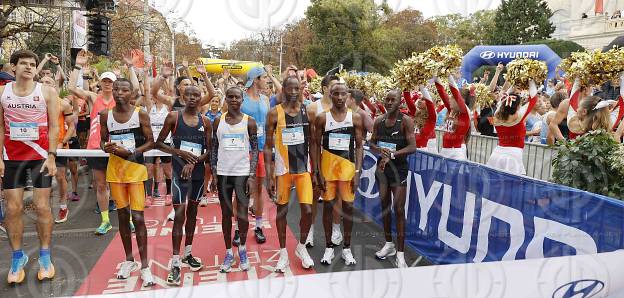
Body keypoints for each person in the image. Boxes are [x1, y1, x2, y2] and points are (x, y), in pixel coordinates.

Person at [2, 50, 59, 284]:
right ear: (13, 67)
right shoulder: (2, 93)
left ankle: (45, 257)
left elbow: (55, 127)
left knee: (42, 207)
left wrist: (52, 156)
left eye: (32, 64)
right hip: (11, 157)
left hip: (40, 157)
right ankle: (18, 257)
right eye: (23, 63)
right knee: (12, 210)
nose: (28, 67)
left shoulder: (47, 91)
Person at [68, 50, 140, 235]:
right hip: (97, 147)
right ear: (100, 83)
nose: (108, 84)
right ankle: (105, 220)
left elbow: (137, 90)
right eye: (105, 81)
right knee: (101, 185)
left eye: (111, 82)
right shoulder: (94, 98)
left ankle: (130, 219)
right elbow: (71, 89)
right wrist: (78, 65)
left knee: (124, 183)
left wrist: (131, 67)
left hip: (119, 148)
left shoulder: (120, 99)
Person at [100, 78, 155, 287]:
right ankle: (128, 260)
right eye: (116, 89)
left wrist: (130, 152)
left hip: (135, 171)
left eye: (124, 90)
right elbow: (102, 141)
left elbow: (151, 141)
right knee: (122, 217)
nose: (119, 93)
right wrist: (106, 147)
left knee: (138, 217)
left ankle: (145, 266)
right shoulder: (105, 115)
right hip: (115, 172)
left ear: (131, 93)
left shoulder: (140, 113)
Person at [156, 85, 211, 285]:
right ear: (182, 96)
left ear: (201, 98)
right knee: (179, 216)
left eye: (197, 95)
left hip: (196, 175)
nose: (192, 98)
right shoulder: (173, 117)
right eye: (189, 94)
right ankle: (175, 262)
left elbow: (209, 151)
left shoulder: (205, 122)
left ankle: (188, 253)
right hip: (180, 175)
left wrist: (195, 161)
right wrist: (181, 154)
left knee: (193, 214)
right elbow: (159, 144)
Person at [265, 76, 316, 272]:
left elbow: (312, 142)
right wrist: (269, 176)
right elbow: (268, 147)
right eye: (290, 89)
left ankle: (301, 247)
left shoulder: (307, 112)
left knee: (308, 211)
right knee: (282, 211)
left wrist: (316, 170)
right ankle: (283, 253)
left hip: (303, 169)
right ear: (283, 90)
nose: (294, 92)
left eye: (297, 89)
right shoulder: (274, 114)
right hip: (283, 170)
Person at [313, 83, 363, 266]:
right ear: (330, 95)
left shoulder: (355, 118)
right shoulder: (321, 118)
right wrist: (316, 171)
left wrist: (357, 172)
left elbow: (359, 147)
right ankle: (329, 248)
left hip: (348, 170)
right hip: (327, 170)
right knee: (327, 207)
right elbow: (314, 145)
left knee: (348, 209)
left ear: (347, 95)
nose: (340, 97)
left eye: (343, 94)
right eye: (336, 94)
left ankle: (347, 249)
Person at [210, 86, 258, 273]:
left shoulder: (249, 122)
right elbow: (214, 148)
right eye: (230, 97)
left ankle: (243, 249)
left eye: (237, 97)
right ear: (226, 100)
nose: (234, 100)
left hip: (242, 174)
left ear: (242, 100)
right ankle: (229, 252)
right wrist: (213, 173)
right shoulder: (217, 121)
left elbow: (255, 150)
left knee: (243, 214)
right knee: (226, 214)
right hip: (223, 173)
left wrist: (252, 175)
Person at [369, 90, 417, 268]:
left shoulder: (406, 121)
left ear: (400, 102)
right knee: (384, 207)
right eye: (386, 99)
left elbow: (413, 147)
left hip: (399, 170)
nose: (389, 103)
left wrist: (393, 154)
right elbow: (371, 143)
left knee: (398, 209)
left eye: (392, 100)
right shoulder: (379, 121)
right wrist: (378, 150)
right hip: (382, 170)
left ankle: (401, 254)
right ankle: (388, 244)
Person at [305, 74, 341, 248]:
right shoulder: (313, 108)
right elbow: (311, 139)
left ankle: (336, 228)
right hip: (318, 156)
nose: (337, 89)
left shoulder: (343, 107)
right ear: (325, 88)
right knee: (314, 194)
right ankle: (310, 230)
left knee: (336, 196)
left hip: (338, 158)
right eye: (333, 86)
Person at [38, 76, 76, 224]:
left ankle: (63, 207)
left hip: (59, 146)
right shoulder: (35, 103)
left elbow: (71, 126)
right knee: (42, 179)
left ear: (54, 86)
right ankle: (44, 209)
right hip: (40, 147)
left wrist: (62, 142)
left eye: (48, 82)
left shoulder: (63, 104)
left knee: (60, 177)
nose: (44, 84)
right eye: (42, 82)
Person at [239, 66, 269, 245]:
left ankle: (258, 226)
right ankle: (238, 228)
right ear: (255, 79)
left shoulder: (265, 99)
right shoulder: (240, 98)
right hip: (243, 151)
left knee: (258, 190)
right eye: (264, 77)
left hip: (260, 150)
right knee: (240, 191)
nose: (266, 80)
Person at [486, 81, 539, 175]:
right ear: (518, 106)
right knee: (511, 186)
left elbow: (502, 100)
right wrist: (531, 79)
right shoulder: (518, 116)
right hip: (513, 155)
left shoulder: (496, 114)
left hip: (497, 152)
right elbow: (534, 99)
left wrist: (513, 84)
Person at [145, 80, 173, 207]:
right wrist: (145, 74)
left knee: (168, 171)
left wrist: (168, 77)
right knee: (149, 170)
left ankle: (169, 194)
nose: (158, 96)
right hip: (151, 144)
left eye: (161, 94)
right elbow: (146, 91)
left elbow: (170, 91)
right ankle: (148, 196)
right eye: (156, 94)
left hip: (165, 143)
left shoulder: (168, 108)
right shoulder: (150, 108)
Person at [435, 74, 472, 160]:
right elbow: (442, 92)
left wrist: (448, 74)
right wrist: (435, 76)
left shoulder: (464, 114)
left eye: (452, 97)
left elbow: (455, 91)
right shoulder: (452, 110)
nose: (449, 99)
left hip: (456, 153)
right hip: (445, 151)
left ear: (460, 101)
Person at [405, 86, 437, 152]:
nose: (419, 100)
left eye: (423, 99)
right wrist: (407, 83)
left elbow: (429, 103)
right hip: (409, 150)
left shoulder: (432, 117)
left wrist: (422, 86)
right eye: (419, 98)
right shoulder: (416, 112)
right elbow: (408, 99)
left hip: (422, 152)